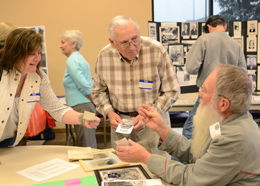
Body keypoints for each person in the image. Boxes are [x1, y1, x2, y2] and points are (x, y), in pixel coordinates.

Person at [116, 64, 260, 185]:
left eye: (204, 90)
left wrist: (146, 158)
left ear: (223, 104)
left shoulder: (234, 137)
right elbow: (198, 155)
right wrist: (162, 130)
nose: (200, 94)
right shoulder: (232, 122)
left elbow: (192, 178)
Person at [92, 16, 180, 155]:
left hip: (154, 125)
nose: (132, 47)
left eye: (135, 39)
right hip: (121, 127)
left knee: (157, 170)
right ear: (113, 42)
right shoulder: (104, 56)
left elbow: (172, 90)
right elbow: (98, 92)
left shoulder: (156, 50)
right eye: (125, 43)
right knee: (123, 170)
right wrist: (109, 112)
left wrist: (150, 113)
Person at [0, 28, 100, 147]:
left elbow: (56, 109)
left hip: (10, 139)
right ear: (15, 53)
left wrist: (85, 118)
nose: (37, 59)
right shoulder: (3, 74)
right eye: (32, 54)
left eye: (39, 53)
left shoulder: (39, 77)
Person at [183, 15, 246, 139]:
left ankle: (187, 159)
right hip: (228, 100)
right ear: (225, 26)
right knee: (220, 133)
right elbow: (242, 74)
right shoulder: (235, 45)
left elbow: (191, 68)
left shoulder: (204, 40)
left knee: (190, 131)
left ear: (208, 27)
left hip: (208, 95)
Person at [60, 30, 97, 148]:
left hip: (83, 107)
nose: (60, 46)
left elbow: (83, 85)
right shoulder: (79, 58)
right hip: (84, 106)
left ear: (73, 44)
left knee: (86, 143)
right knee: (88, 140)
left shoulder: (72, 60)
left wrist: (93, 100)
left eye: (63, 42)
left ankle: (91, 166)